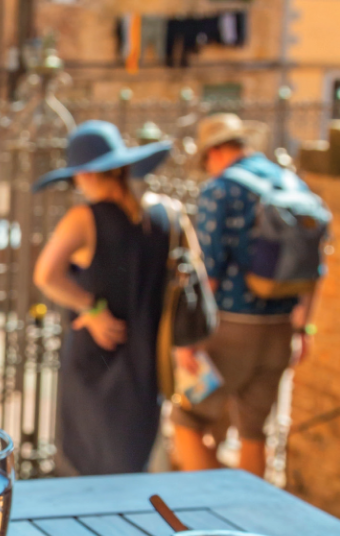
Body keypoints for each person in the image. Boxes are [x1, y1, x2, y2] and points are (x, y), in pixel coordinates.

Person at [172, 113, 320, 478]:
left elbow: (209, 274)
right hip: (281, 329)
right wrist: (303, 329)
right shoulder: (291, 183)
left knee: (186, 421)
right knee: (254, 433)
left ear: (216, 151)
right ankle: (248, 508)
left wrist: (188, 338)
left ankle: (221, 502)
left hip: (230, 330)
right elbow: (314, 268)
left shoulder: (220, 190)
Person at [32, 120, 173, 476]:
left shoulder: (84, 218)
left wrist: (91, 307)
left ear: (87, 174)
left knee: (87, 469)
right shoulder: (161, 216)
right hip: (145, 362)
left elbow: (46, 276)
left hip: (97, 362)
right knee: (131, 465)